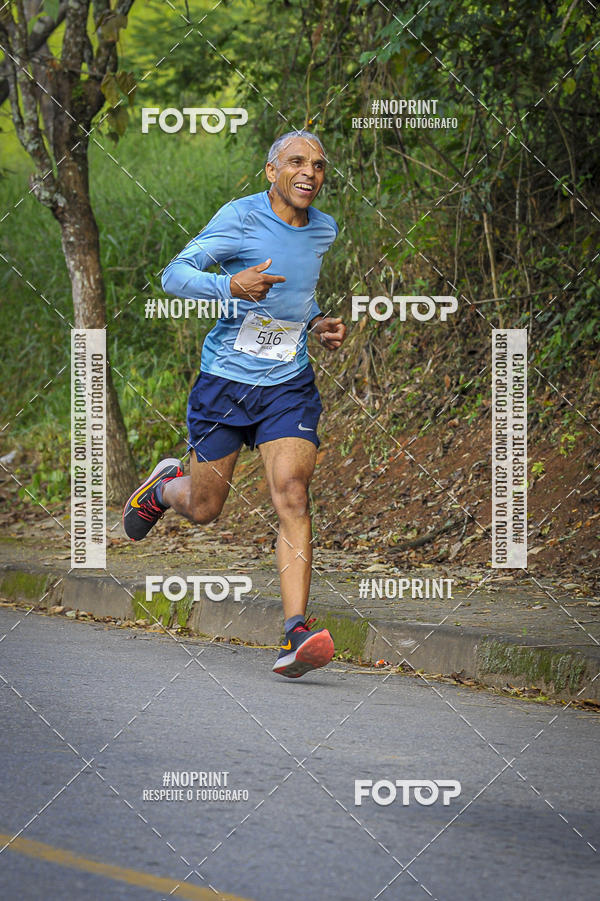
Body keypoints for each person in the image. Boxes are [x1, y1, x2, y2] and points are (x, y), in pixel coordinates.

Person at [123, 130, 347, 678]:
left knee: (292, 493)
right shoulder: (241, 218)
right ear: (271, 171)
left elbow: (296, 295)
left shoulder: (323, 229)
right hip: (225, 383)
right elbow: (174, 276)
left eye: (318, 165)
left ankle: (295, 631)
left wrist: (317, 321)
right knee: (204, 509)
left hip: (288, 385)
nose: (309, 172)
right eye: (296, 162)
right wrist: (230, 287)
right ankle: (165, 487)